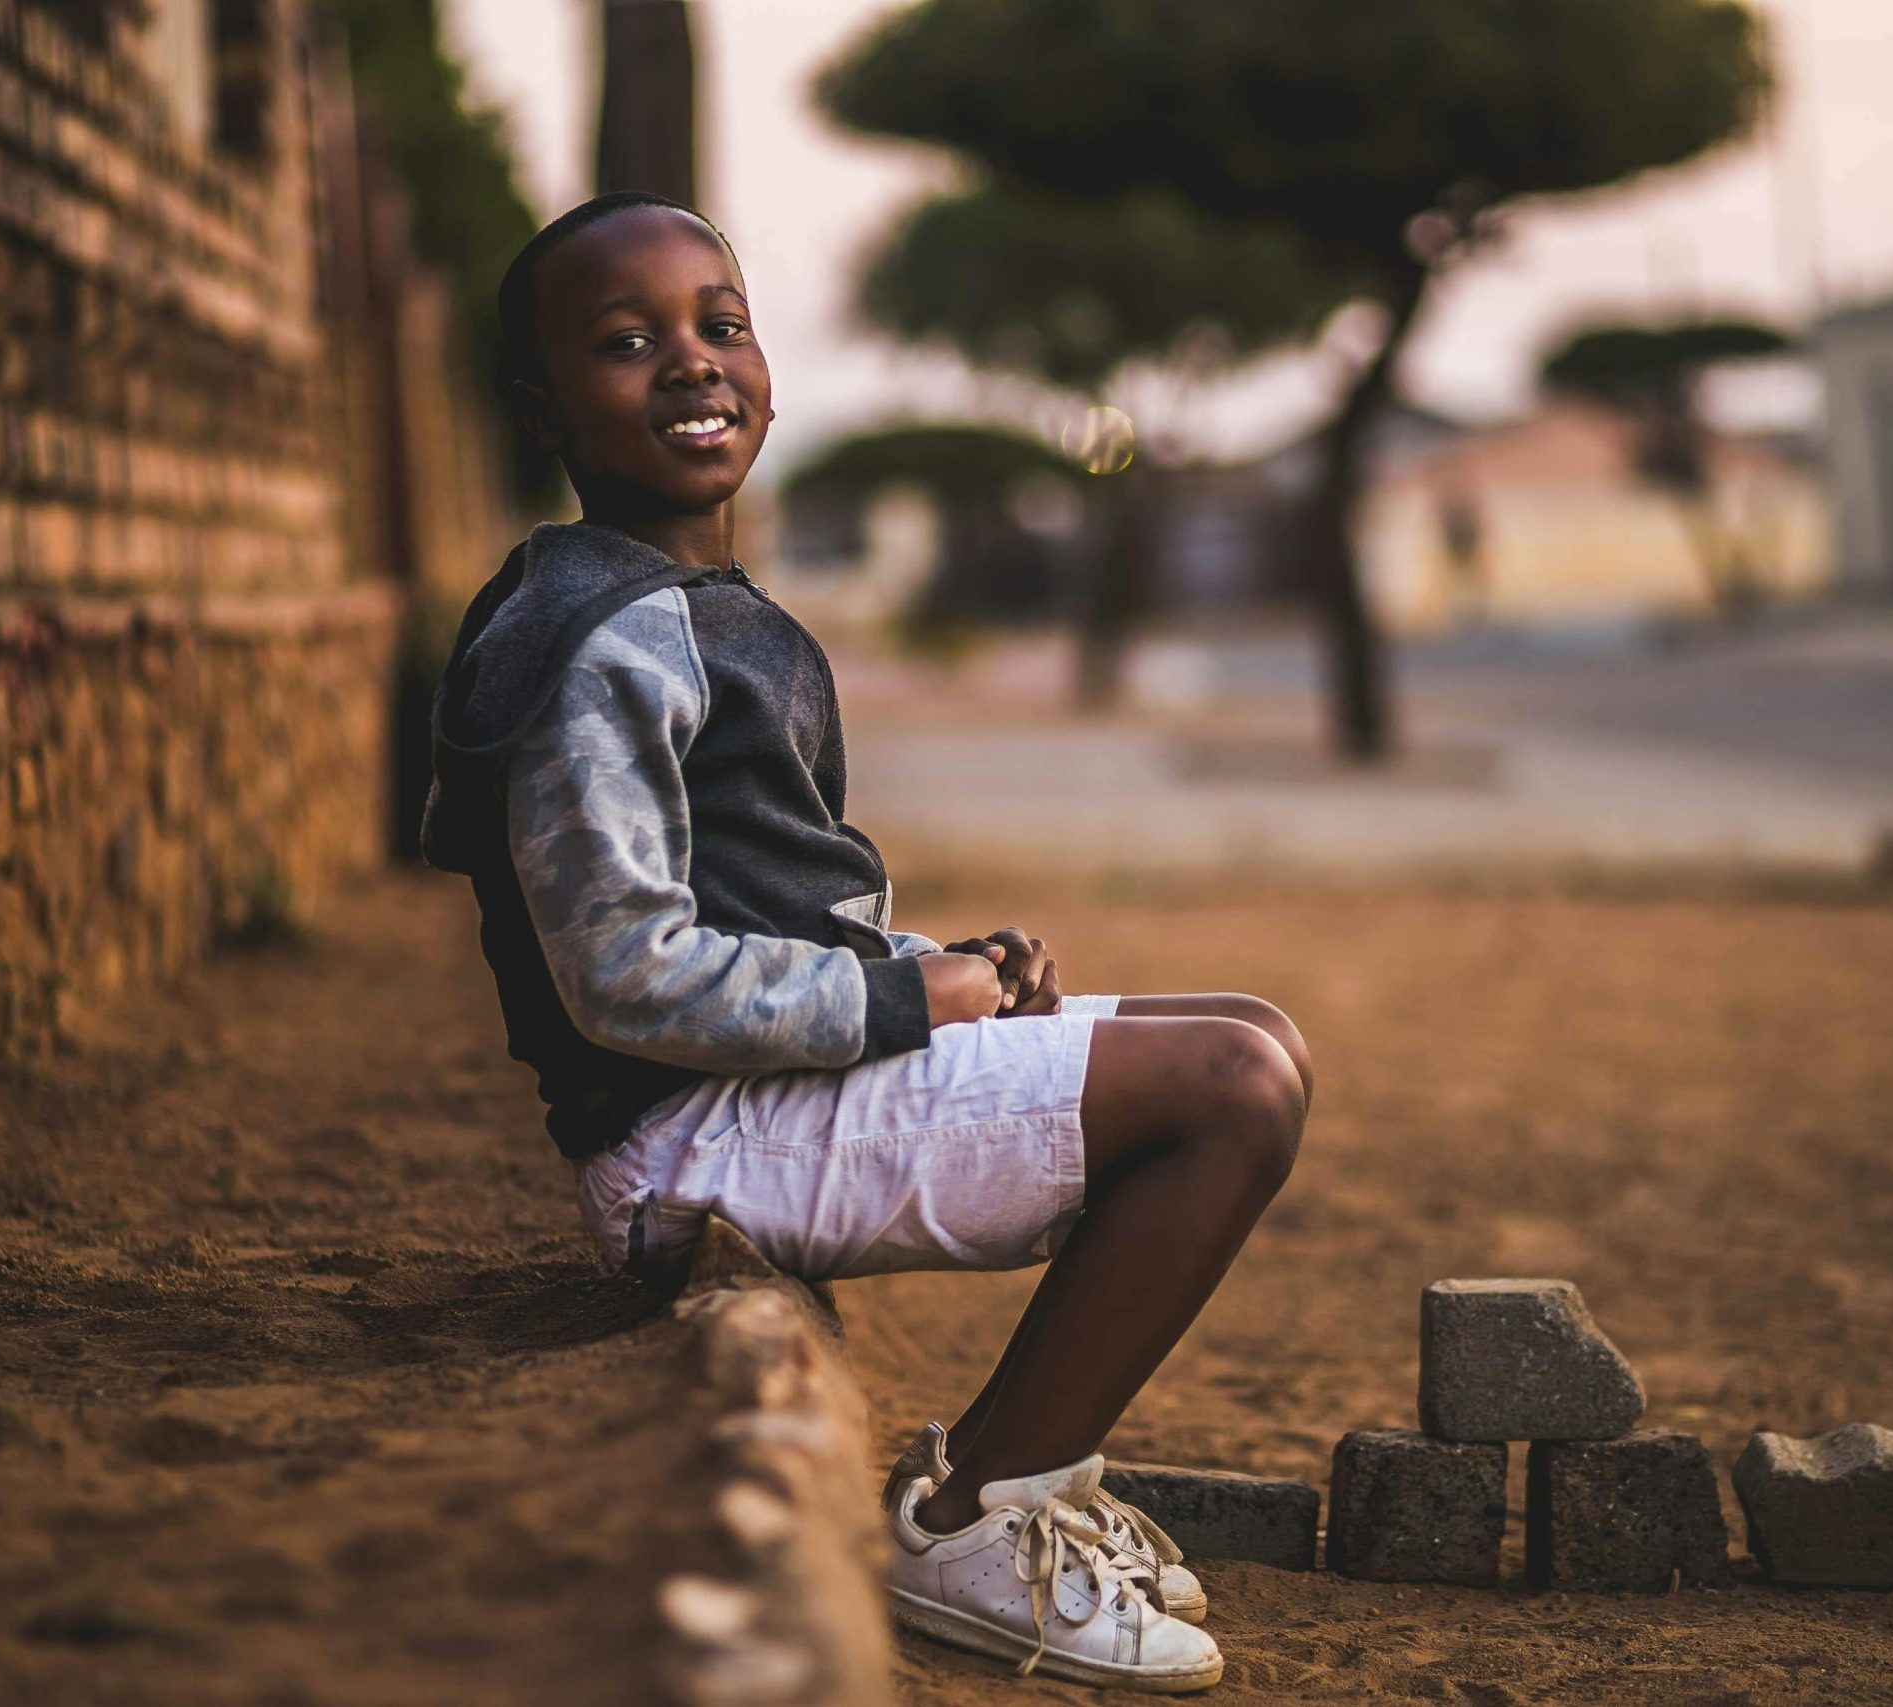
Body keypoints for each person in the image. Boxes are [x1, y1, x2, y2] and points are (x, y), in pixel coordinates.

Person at [421, 193, 1311, 1694]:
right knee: (1231, 1088)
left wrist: (941, 967)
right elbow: (625, 972)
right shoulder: (604, 638)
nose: (692, 365)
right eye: (625, 344)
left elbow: (752, 906)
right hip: (689, 1141)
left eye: (721, 324)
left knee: (1254, 1027)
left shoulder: (686, 604)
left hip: (751, 1099)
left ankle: (1025, 1480)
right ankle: (976, 1517)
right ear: (541, 411)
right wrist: (906, 1000)